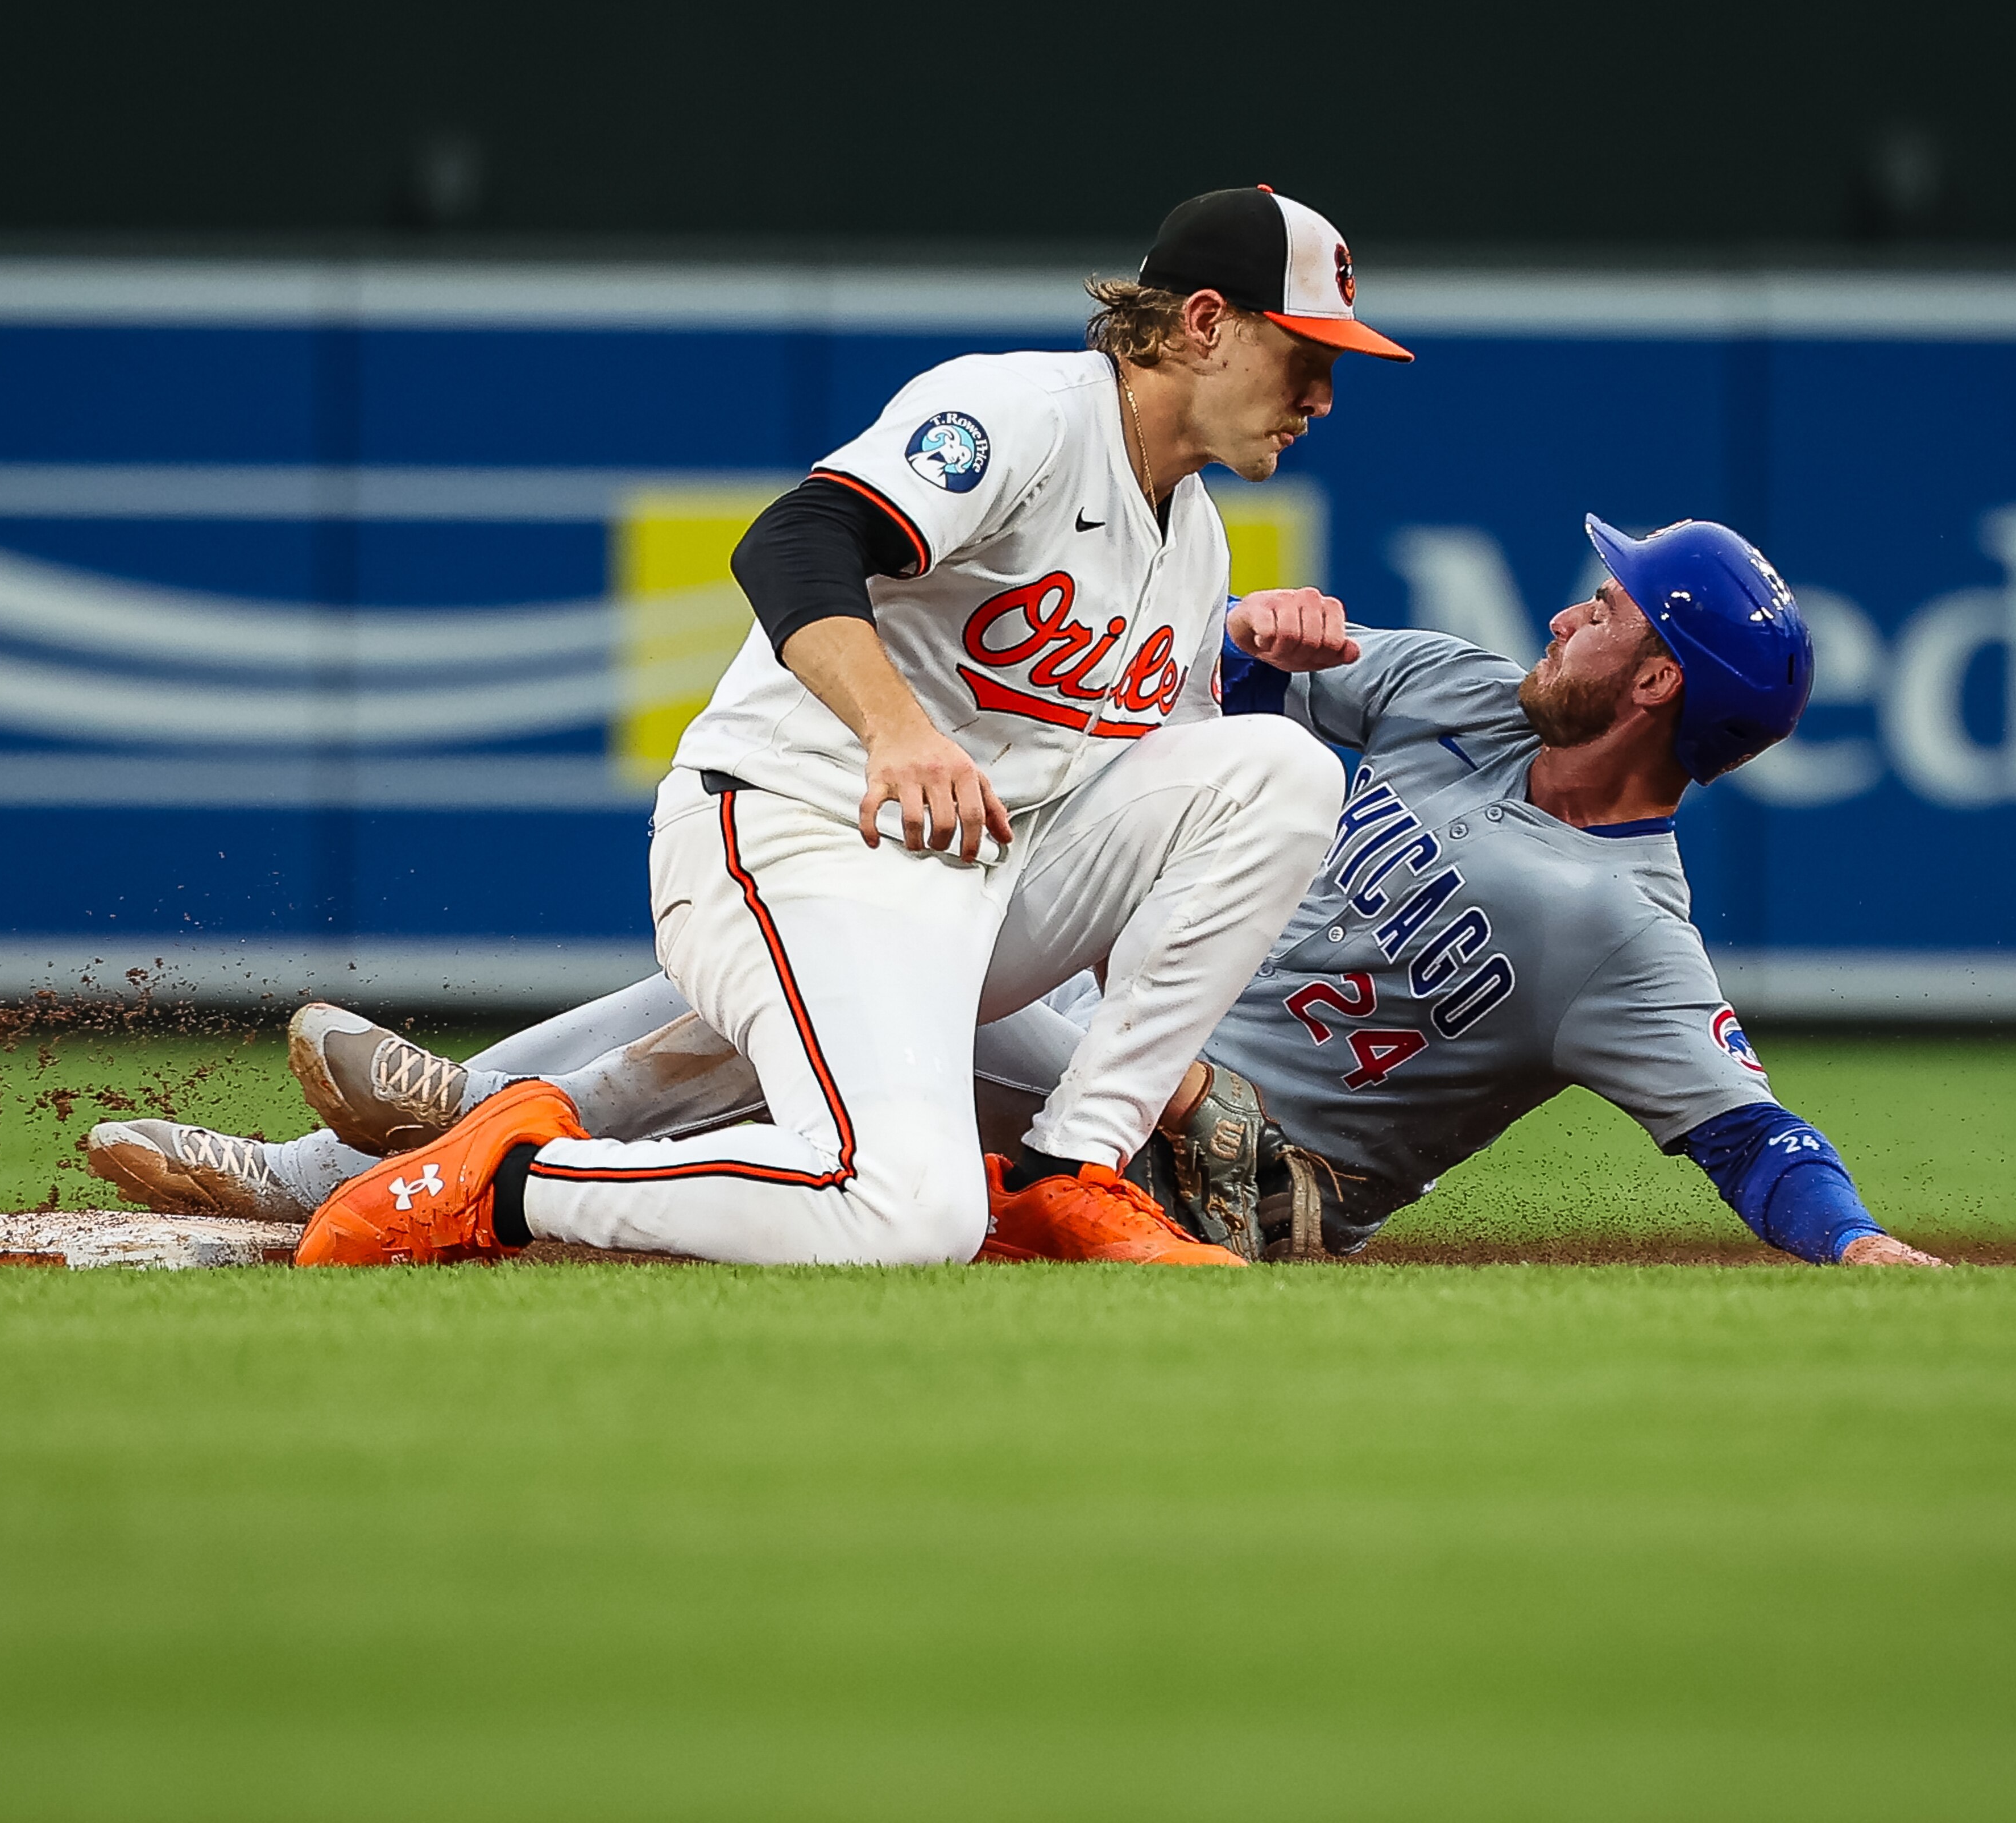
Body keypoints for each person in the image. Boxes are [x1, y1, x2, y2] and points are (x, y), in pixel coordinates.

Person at [94, 516, 1943, 1268]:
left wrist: (1860, 1246)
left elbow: (1753, 1133)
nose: (1573, 602)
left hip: (1251, 1181)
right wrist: (1261, 641)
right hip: (1118, 1048)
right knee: (839, 963)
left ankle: (427, 1148)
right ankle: (362, 1163)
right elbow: (1211, 696)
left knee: (888, 957)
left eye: (1610, 606)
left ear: (1657, 688)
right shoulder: (1464, 693)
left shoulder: (1625, 920)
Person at [246, 187, 1408, 1266]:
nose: (1323, 397)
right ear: (1204, 322)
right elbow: (795, 540)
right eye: (1307, 356)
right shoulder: (1022, 412)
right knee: (915, 1211)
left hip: (980, 883)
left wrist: (1168, 1075)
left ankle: (1074, 1166)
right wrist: (894, 727)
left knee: (1280, 767)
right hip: (798, 834)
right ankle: (506, 1175)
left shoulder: (1195, 544)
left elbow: (1163, 829)